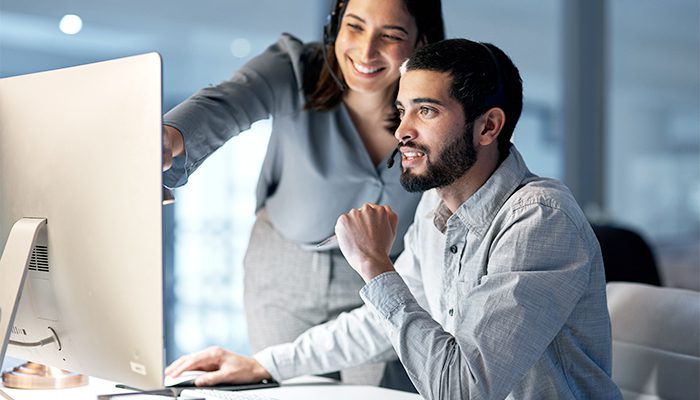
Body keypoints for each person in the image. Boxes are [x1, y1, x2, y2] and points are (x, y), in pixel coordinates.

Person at [166, 38, 623, 399]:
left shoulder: (538, 220)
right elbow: (377, 321)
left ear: (488, 127)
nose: (402, 131)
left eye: (427, 110)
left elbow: (462, 391)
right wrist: (266, 364)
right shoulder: (436, 208)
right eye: (402, 110)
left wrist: (375, 265)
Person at [161, 0, 444, 386]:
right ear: (334, 26)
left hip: (384, 270)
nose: (365, 51)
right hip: (285, 267)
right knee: (290, 388)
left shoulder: (437, 104)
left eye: (391, 35)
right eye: (355, 27)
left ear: (421, 41)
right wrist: (169, 136)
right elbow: (226, 102)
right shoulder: (295, 68)